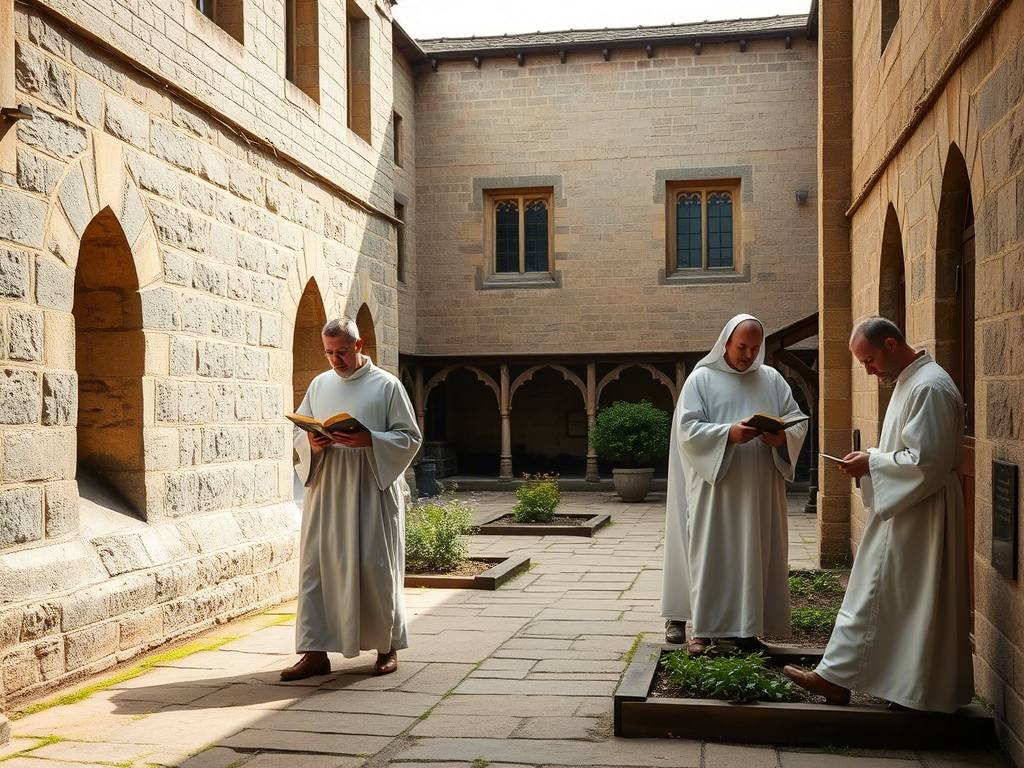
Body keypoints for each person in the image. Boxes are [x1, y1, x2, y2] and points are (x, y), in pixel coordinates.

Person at [784, 317, 973, 712]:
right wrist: (872, 458)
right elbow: (908, 450)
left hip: (924, 511)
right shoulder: (910, 382)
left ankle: (884, 686)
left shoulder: (930, 387)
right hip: (905, 507)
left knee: (897, 596)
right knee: (891, 597)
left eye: (869, 361)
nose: (869, 371)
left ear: (890, 345)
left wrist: (873, 463)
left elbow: (928, 461)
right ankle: (872, 682)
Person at [282, 317, 421, 680]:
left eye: (342, 351)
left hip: (369, 490)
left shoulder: (387, 385)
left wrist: (371, 440)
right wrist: (312, 442)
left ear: (358, 347)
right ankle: (314, 652)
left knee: (375, 568)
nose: (335, 360)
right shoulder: (320, 383)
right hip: (326, 490)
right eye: (329, 352)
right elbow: (301, 433)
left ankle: (386, 648)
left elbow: (410, 437)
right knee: (316, 569)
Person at [662, 314, 808, 652]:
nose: (748, 354)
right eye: (742, 346)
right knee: (711, 553)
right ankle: (704, 628)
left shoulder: (770, 378)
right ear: (725, 342)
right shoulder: (701, 380)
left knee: (751, 555)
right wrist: (728, 432)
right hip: (717, 488)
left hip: (759, 488)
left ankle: (746, 629)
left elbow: (796, 420)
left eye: (755, 348)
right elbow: (688, 430)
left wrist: (781, 437)